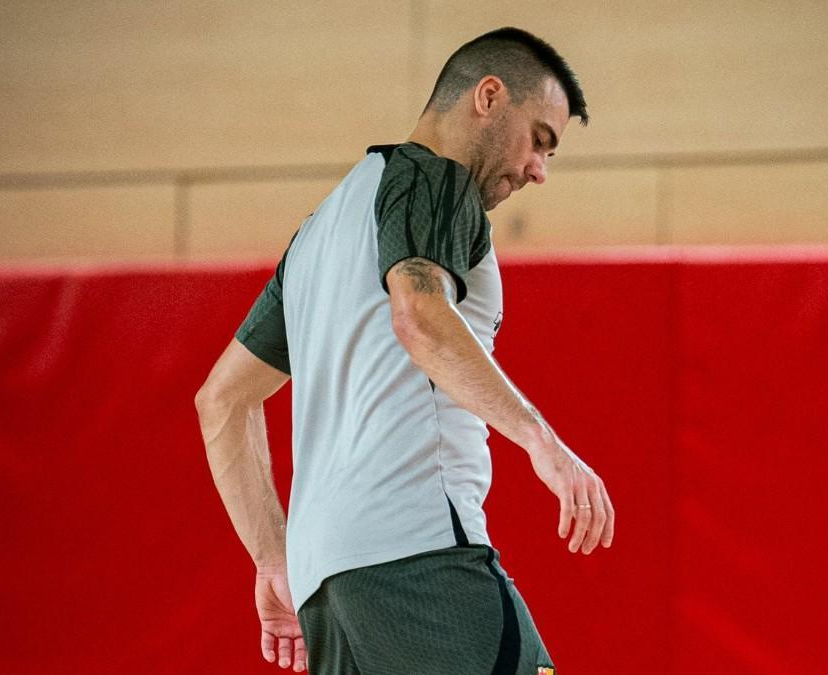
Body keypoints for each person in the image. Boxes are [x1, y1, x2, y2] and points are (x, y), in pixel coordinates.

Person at [195, 27, 614, 674]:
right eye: (540, 139)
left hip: (326, 591)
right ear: (489, 97)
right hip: (418, 553)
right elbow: (417, 313)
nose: (539, 169)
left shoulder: (318, 234)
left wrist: (274, 558)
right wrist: (543, 444)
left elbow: (221, 400)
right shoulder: (439, 178)